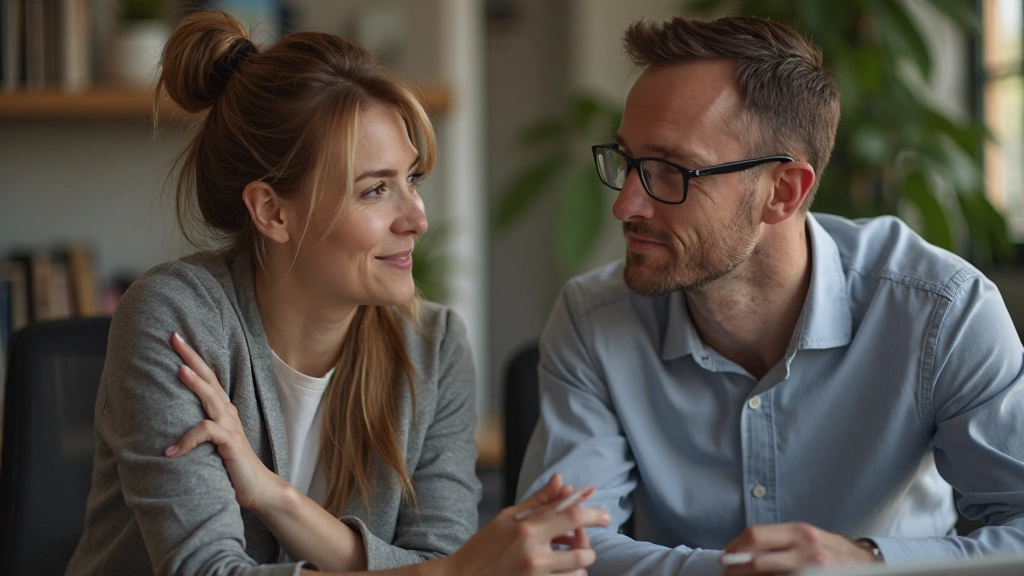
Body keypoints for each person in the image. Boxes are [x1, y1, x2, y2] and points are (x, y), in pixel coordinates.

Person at [67, 10, 609, 576]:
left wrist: (278, 498)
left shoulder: (433, 348)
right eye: (376, 190)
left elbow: (440, 556)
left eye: (412, 179)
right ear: (272, 211)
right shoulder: (177, 318)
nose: (417, 218)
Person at [516, 14, 1024, 576]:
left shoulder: (940, 309)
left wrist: (866, 563)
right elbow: (556, 548)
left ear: (783, 192)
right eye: (628, 162)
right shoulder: (593, 318)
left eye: (668, 171)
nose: (625, 205)